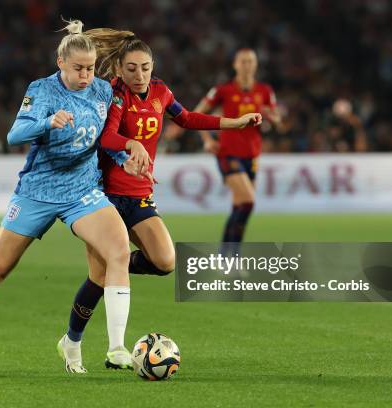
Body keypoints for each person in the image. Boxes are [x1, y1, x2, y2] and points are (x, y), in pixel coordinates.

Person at [0, 20, 151, 376]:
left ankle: (116, 347)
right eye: (78, 69)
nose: (85, 75)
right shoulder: (41, 91)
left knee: (118, 250)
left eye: (90, 68)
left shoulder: (103, 91)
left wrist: (125, 158)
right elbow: (15, 134)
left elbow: (104, 138)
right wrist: (47, 122)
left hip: (82, 190)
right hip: (37, 192)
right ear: (61, 63)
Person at [57, 29, 262, 369]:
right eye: (133, 68)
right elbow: (107, 136)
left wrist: (234, 123)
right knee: (98, 277)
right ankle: (72, 341)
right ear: (119, 69)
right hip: (102, 197)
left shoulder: (162, 93)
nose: (140, 75)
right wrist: (131, 145)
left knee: (165, 261)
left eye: (146, 67)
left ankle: (117, 265)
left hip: (138, 196)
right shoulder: (112, 94)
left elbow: (188, 118)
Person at [166, 48, 282, 254]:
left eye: (251, 61)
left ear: (255, 65)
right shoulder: (223, 90)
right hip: (228, 151)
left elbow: (278, 120)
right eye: (243, 61)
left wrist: (271, 116)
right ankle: (229, 256)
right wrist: (207, 139)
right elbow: (195, 114)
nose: (247, 65)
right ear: (235, 65)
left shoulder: (264, 91)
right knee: (248, 200)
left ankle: (228, 256)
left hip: (252, 154)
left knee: (242, 207)